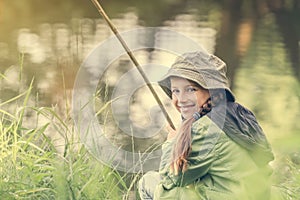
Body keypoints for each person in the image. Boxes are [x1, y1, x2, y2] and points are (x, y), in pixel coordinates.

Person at [138, 51, 274, 200]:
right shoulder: (238, 115)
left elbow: (172, 180)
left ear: (213, 92)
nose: (181, 99)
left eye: (190, 89)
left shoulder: (206, 128)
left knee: (149, 181)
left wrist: (171, 142)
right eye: (176, 91)